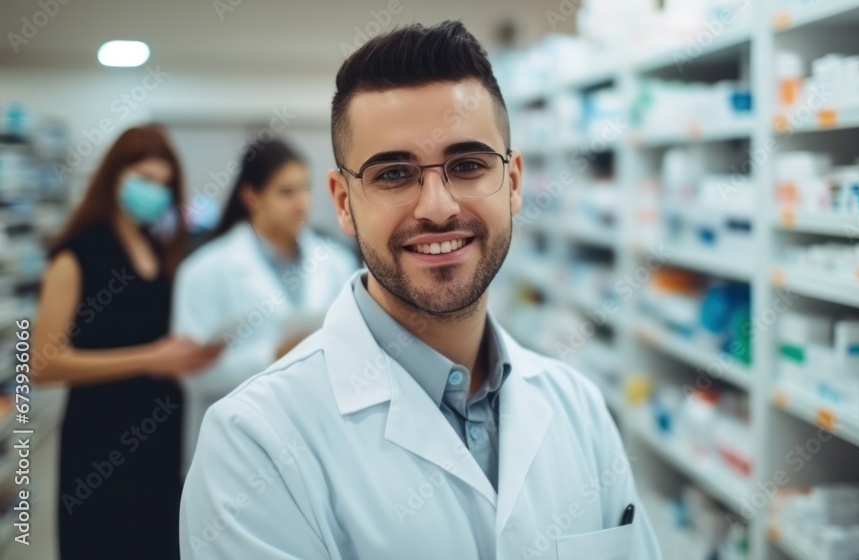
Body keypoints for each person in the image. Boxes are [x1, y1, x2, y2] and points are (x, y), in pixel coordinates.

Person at [180, 22, 661, 560]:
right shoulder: (252, 444)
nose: (437, 207)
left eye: (468, 165)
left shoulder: (579, 408)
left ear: (515, 182)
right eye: (393, 174)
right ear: (343, 202)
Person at [32, 124, 223, 560]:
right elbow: (43, 365)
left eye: (163, 184)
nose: (154, 192)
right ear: (114, 176)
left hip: (158, 439)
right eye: (144, 180)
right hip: (99, 442)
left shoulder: (158, 248)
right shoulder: (77, 252)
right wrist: (149, 358)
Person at [171, 138, 357, 473]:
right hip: (237, 454)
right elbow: (192, 375)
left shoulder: (336, 263)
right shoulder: (204, 270)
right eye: (287, 192)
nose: (302, 204)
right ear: (251, 196)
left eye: (306, 189)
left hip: (318, 445)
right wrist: (274, 354)